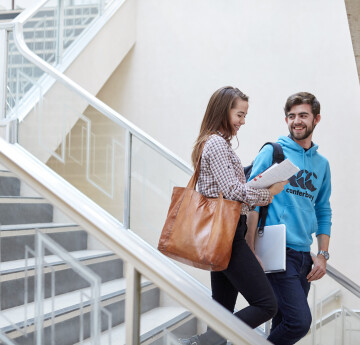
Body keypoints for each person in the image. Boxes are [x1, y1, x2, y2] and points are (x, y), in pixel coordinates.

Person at [179, 86, 287, 345]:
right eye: (239, 115)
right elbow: (232, 190)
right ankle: (202, 342)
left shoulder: (218, 143)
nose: (242, 122)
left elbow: (230, 189)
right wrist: (268, 194)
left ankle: (205, 341)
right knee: (266, 304)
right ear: (223, 110)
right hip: (225, 234)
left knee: (222, 309)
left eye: (244, 116)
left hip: (224, 233)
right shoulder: (216, 143)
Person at [246, 92, 332, 345]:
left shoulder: (322, 164)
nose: (297, 121)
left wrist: (323, 254)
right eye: (292, 116)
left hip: (304, 255)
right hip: (275, 250)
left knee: (284, 321)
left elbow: (323, 209)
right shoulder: (274, 152)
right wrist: (250, 247)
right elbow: (248, 196)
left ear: (316, 119)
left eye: (303, 115)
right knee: (299, 322)